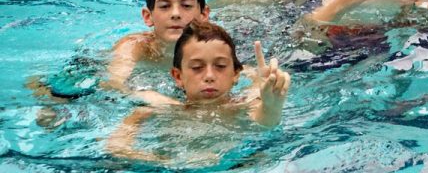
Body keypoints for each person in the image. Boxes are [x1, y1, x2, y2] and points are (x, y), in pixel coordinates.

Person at [106, 22, 291, 162]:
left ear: (235, 74)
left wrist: (273, 104)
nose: (209, 75)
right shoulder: (154, 109)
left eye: (220, 66)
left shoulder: (243, 108)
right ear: (178, 76)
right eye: (196, 67)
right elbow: (115, 147)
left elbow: (267, 123)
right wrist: (170, 164)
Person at [104, 0, 211, 97]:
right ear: (148, 17)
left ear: (204, 14)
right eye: (165, 6)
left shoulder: (217, 45)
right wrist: (143, 96)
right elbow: (112, 85)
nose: (175, 14)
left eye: (186, 5)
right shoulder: (135, 46)